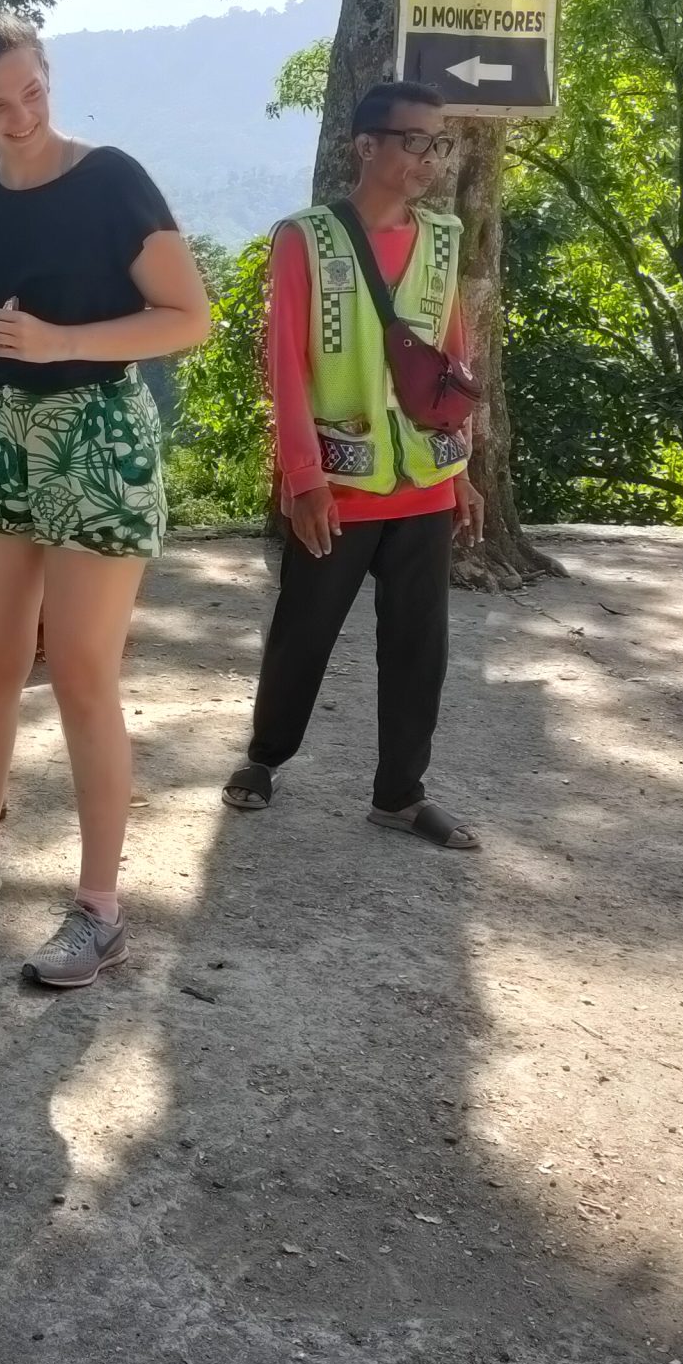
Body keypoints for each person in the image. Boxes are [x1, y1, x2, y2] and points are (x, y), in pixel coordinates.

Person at [0, 9, 213, 988]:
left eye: (33, 91)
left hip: (99, 434)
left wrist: (62, 343)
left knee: (80, 671)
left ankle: (97, 909)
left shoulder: (110, 180)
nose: (21, 115)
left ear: (47, 75)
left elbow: (186, 317)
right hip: (0, 436)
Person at [221, 79, 486, 848]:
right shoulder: (306, 238)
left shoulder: (441, 237)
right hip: (339, 480)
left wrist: (460, 468)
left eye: (439, 142)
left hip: (425, 483)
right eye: (415, 141)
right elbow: (287, 366)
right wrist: (303, 480)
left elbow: (452, 363)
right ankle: (265, 759)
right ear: (366, 145)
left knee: (419, 645)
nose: (430, 158)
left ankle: (401, 793)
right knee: (305, 630)